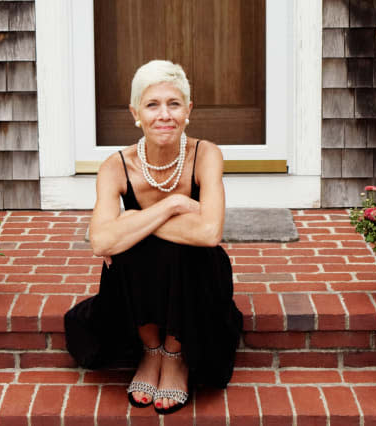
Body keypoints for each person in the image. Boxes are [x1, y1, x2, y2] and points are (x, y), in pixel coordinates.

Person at [64, 59, 243, 415]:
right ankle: (150, 352)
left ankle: (175, 355)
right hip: (139, 279)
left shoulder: (206, 154)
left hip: (198, 276)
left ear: (188, 110)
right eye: (152, 104)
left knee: (167, 245)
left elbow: (209, 232)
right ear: (136, 113)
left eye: (174, 104)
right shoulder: (116, 166)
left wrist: (132, 220)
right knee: (129, 249)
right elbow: (100, 241)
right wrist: (174, 205)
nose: (165, 115)